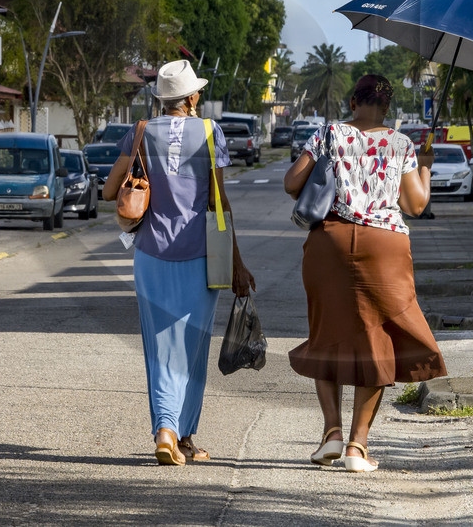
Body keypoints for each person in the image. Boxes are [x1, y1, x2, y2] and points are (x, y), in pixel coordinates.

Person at [282, 74, 446, 473]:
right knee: (380, 340)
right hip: (384, 247)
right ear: (387, 108)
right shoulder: (401, 144)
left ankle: (331, 433)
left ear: (353, 101)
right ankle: (357, 447)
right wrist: (425, 168)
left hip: (330, 243)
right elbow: (415, 205)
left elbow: (291, 183)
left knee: (326, 335)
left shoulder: (329, 133)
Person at [102, 59, 255, 465]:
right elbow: (219, 202)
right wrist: (237, 263)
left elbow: (109, 191)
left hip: (150, 254)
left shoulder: (140, 131)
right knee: (192, 347)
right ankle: (174, 432)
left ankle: (174, 435)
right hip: (200, 255)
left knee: (159, 347)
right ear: (191, 98)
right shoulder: (209, 131)